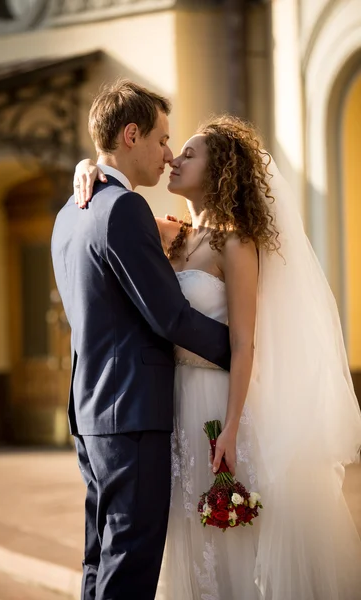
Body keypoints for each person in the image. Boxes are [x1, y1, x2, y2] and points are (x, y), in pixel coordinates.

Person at [74, 114, 361, 599]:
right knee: (184, 532)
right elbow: (113, 207)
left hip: (219, 404)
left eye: (188, 152)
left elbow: (246, 343)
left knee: (228, 534)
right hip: (171, 402)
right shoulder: (172, 235)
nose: (173, 158)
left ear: (221, 168)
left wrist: (229, 429)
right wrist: (86, 166)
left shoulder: (236, 244)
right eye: (173, 148)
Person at [51, 81, 232, 600]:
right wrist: (245, 351)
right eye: (161, 139)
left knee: (101, 557)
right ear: (131, 135)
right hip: (130, 413)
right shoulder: (122, 208)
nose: (168, 153)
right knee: (131, 561)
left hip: (92, 411)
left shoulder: (71, 212)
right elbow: (170, 317)